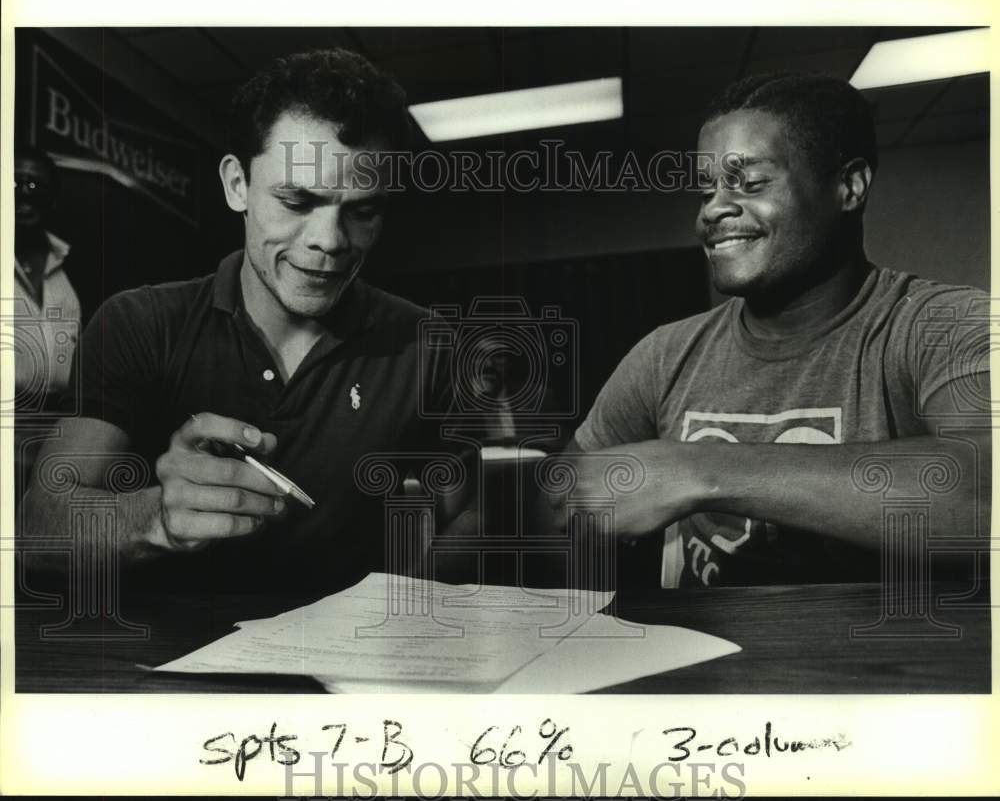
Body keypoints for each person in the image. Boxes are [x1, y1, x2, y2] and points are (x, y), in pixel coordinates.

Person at [21, 49, 466, 595]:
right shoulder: (139, 324)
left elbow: (479, 513)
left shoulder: (427, 344)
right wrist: (158, 515)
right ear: (237, 185)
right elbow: (37, 530)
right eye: (297, 200)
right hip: (162, 670)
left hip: (347, 667)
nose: (331, 239)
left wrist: (423, 593)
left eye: (363, 210)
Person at [564, 72, 990, 587]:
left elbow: (984, 489)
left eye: (751, 183)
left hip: (882, 665)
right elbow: (559, 505)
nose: (713, 210)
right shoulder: (664, 355)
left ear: (847, 186)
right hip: (694, 664)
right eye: (705, 191)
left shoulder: (944, 324)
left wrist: (698, 471)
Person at [13, 144, 82, 492]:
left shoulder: (74, 267)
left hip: (56, 434)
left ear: (52, 199)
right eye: (15, 183)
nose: (24, 193)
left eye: (35, 185)